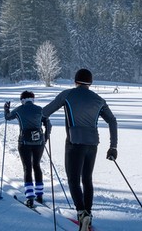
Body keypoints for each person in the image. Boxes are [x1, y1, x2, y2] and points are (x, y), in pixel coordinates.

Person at [42, 68, 118, 231]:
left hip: (74, 143)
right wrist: (113, 147)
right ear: (90, 83)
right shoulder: (99, 100)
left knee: (73, 179)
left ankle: (82, 213)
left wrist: (42, 122)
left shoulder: (67, 95)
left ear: (76, 81)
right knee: (87, 179)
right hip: (92, 144)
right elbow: (112, 121)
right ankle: (88, 216)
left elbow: (45, 112)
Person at [4, 90, 51, 208]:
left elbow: (8, 117)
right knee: (37, 166)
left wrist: (6, 109)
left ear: (23, 100)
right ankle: (39, 195)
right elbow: (48, 124)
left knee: (27, 168)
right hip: (39, 142)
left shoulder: (19, 109)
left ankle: (30, 198)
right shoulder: (40, 109)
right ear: (33, 99)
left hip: (24, 142)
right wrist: (45, 138)